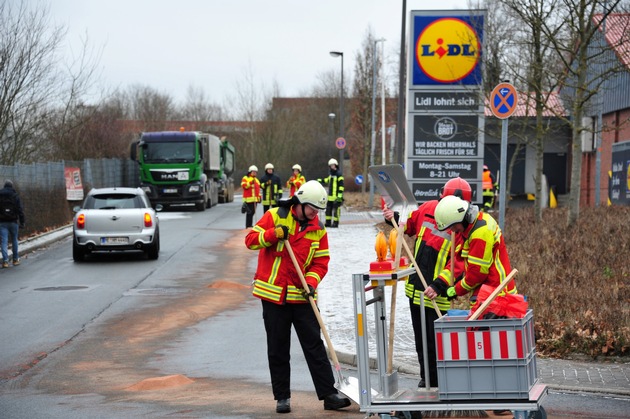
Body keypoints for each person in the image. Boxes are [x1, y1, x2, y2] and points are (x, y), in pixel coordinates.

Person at [245, 180, 351, 414]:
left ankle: (329, 394)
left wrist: (311, 283)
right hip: (273, 297)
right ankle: (282, 397)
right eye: (312, 209)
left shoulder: (318, 229)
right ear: (299, 204)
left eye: (318, 211)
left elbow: (321, 262)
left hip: (302, 296)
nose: (315, 214)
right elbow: (251, 241)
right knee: (278, 347)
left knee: (314, 345)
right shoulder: (275, 216)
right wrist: (273, 234)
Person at [382, 177, 471, 389]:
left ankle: (441, 381)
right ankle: (427, 379)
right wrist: (392, 217)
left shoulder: (463, 227)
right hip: (416, 288)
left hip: (437, 292)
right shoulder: (428, 208)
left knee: (436, 341)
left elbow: (459, 264)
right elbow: (409, 225)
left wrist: (439, 285)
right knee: (421, 340)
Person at [425, 194, 518, 305]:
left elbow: (477, 274)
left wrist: (456, 290)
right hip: (493, 292)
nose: (453, 230)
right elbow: (460, 260)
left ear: (461, 217)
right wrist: (441, 284)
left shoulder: (479, 234)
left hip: (496, 295)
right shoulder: (477, 222)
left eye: (453, 226)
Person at [0, 180, 25, 268]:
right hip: (13, 222)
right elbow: (20, 210)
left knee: (4, 241)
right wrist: (22, 222)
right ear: (12, 186)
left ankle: (5, 261)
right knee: (14, 240)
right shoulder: (15, 196)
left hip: (2, 222)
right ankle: (15, 260)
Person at [318, 158, 344, 228]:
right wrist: (320, 180)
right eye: (331, 165)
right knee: (328, 210)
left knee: (336, 211)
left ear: (336, 165)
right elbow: (327, 180)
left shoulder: (339, 174)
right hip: (330, 197)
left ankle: (335, 223)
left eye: (333, 165)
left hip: (336, 197)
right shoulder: (331, 174)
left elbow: (341, 186)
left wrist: (339, 196)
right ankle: (328, 222)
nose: (332, 167)